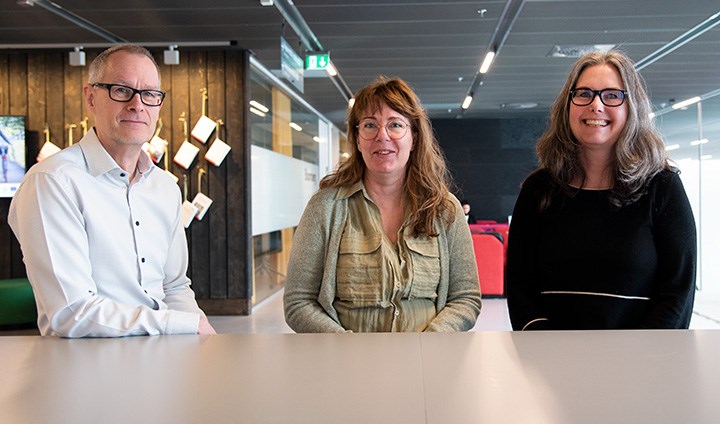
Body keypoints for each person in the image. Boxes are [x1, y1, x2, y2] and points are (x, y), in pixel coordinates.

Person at [8, 44, 216, 337]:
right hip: (89, 368)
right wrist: (182, 325)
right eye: (121, 90)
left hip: (166, 360)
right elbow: (71, 313)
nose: (137, 104)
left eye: (150, 94)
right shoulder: (53, 182)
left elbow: (174, 287)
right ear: (91, 97)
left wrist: (203, 342)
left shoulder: (165, 187)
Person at [506, 50, 696, 331]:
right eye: (584, 94)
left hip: (640, 362)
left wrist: (645, 353)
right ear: (567, 105)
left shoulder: (662, 186)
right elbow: (519, 284)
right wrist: (544, 346)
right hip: (552, 362)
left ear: (632, 108)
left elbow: (678, 290)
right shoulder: (539, 189)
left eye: (611, 96)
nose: (595, 105)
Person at [284, 77, 482, 332]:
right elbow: (298, 302)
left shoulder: (444, 210)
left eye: (395, 125)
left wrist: (430, 342)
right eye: (369, 125)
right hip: (349, 364)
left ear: (414, 137)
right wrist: (345, 347)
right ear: (357, 138)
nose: (382, 136)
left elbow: (465, 298)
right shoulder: (326, 207)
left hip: (427, 362)